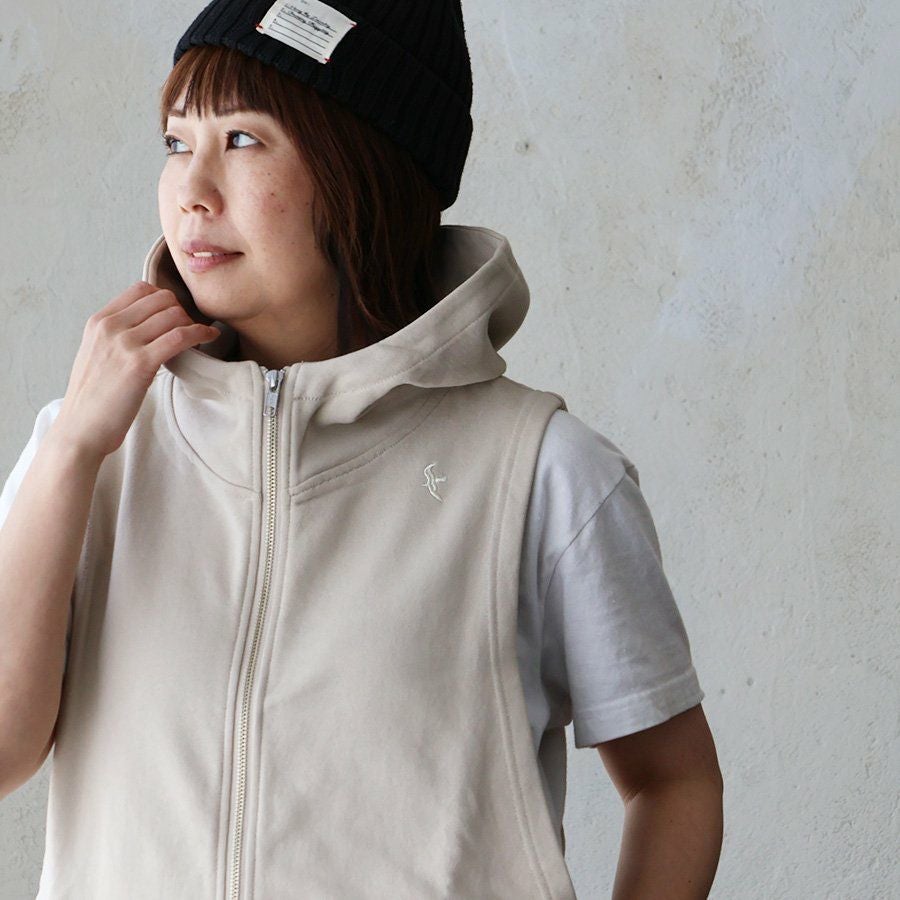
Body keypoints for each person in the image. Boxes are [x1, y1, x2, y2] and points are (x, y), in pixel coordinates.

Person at [0, 1, 723, 896]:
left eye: (245, 139)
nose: (193, 189)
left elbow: (675, 782)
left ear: (363, 172)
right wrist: (72, 450)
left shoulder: (541, 473)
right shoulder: (92, 450)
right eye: (178, 142)